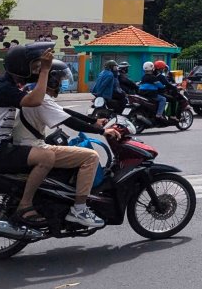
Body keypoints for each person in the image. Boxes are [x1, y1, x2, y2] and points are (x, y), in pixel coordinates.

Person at [13, 60, 121, 228]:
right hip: (32, 146)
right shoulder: (42, 99)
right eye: (61, 79)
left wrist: (93, 121)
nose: (62, 83)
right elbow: (70, 121)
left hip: (26, 144)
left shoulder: (35, 94)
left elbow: (64, 112)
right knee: (91, 157)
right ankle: (79, 209)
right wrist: (102, 131)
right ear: (53, 80)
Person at [0, 43, 59, 226]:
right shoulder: (2, 89)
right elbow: (35, 100)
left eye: (37, 66)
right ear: (21, 66)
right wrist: (45, 71)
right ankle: (25, 205)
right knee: (47, 157)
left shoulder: (7, 84)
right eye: (33, 66)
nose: (36, 69)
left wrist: (44, 70)